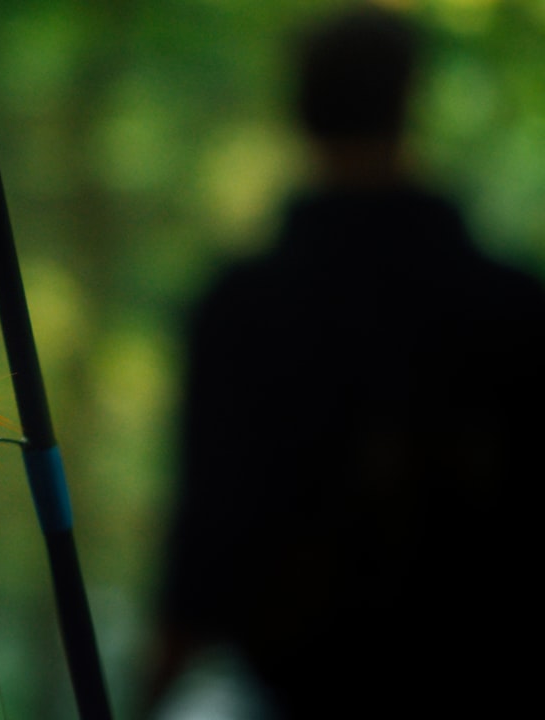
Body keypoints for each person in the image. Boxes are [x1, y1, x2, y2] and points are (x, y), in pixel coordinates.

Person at [148, 6, 545, 719]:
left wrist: (150, 689)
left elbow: (206, 532)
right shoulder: (512, 305)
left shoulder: (243, 309)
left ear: (300, 113)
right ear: (410, 104)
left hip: (302, 688)